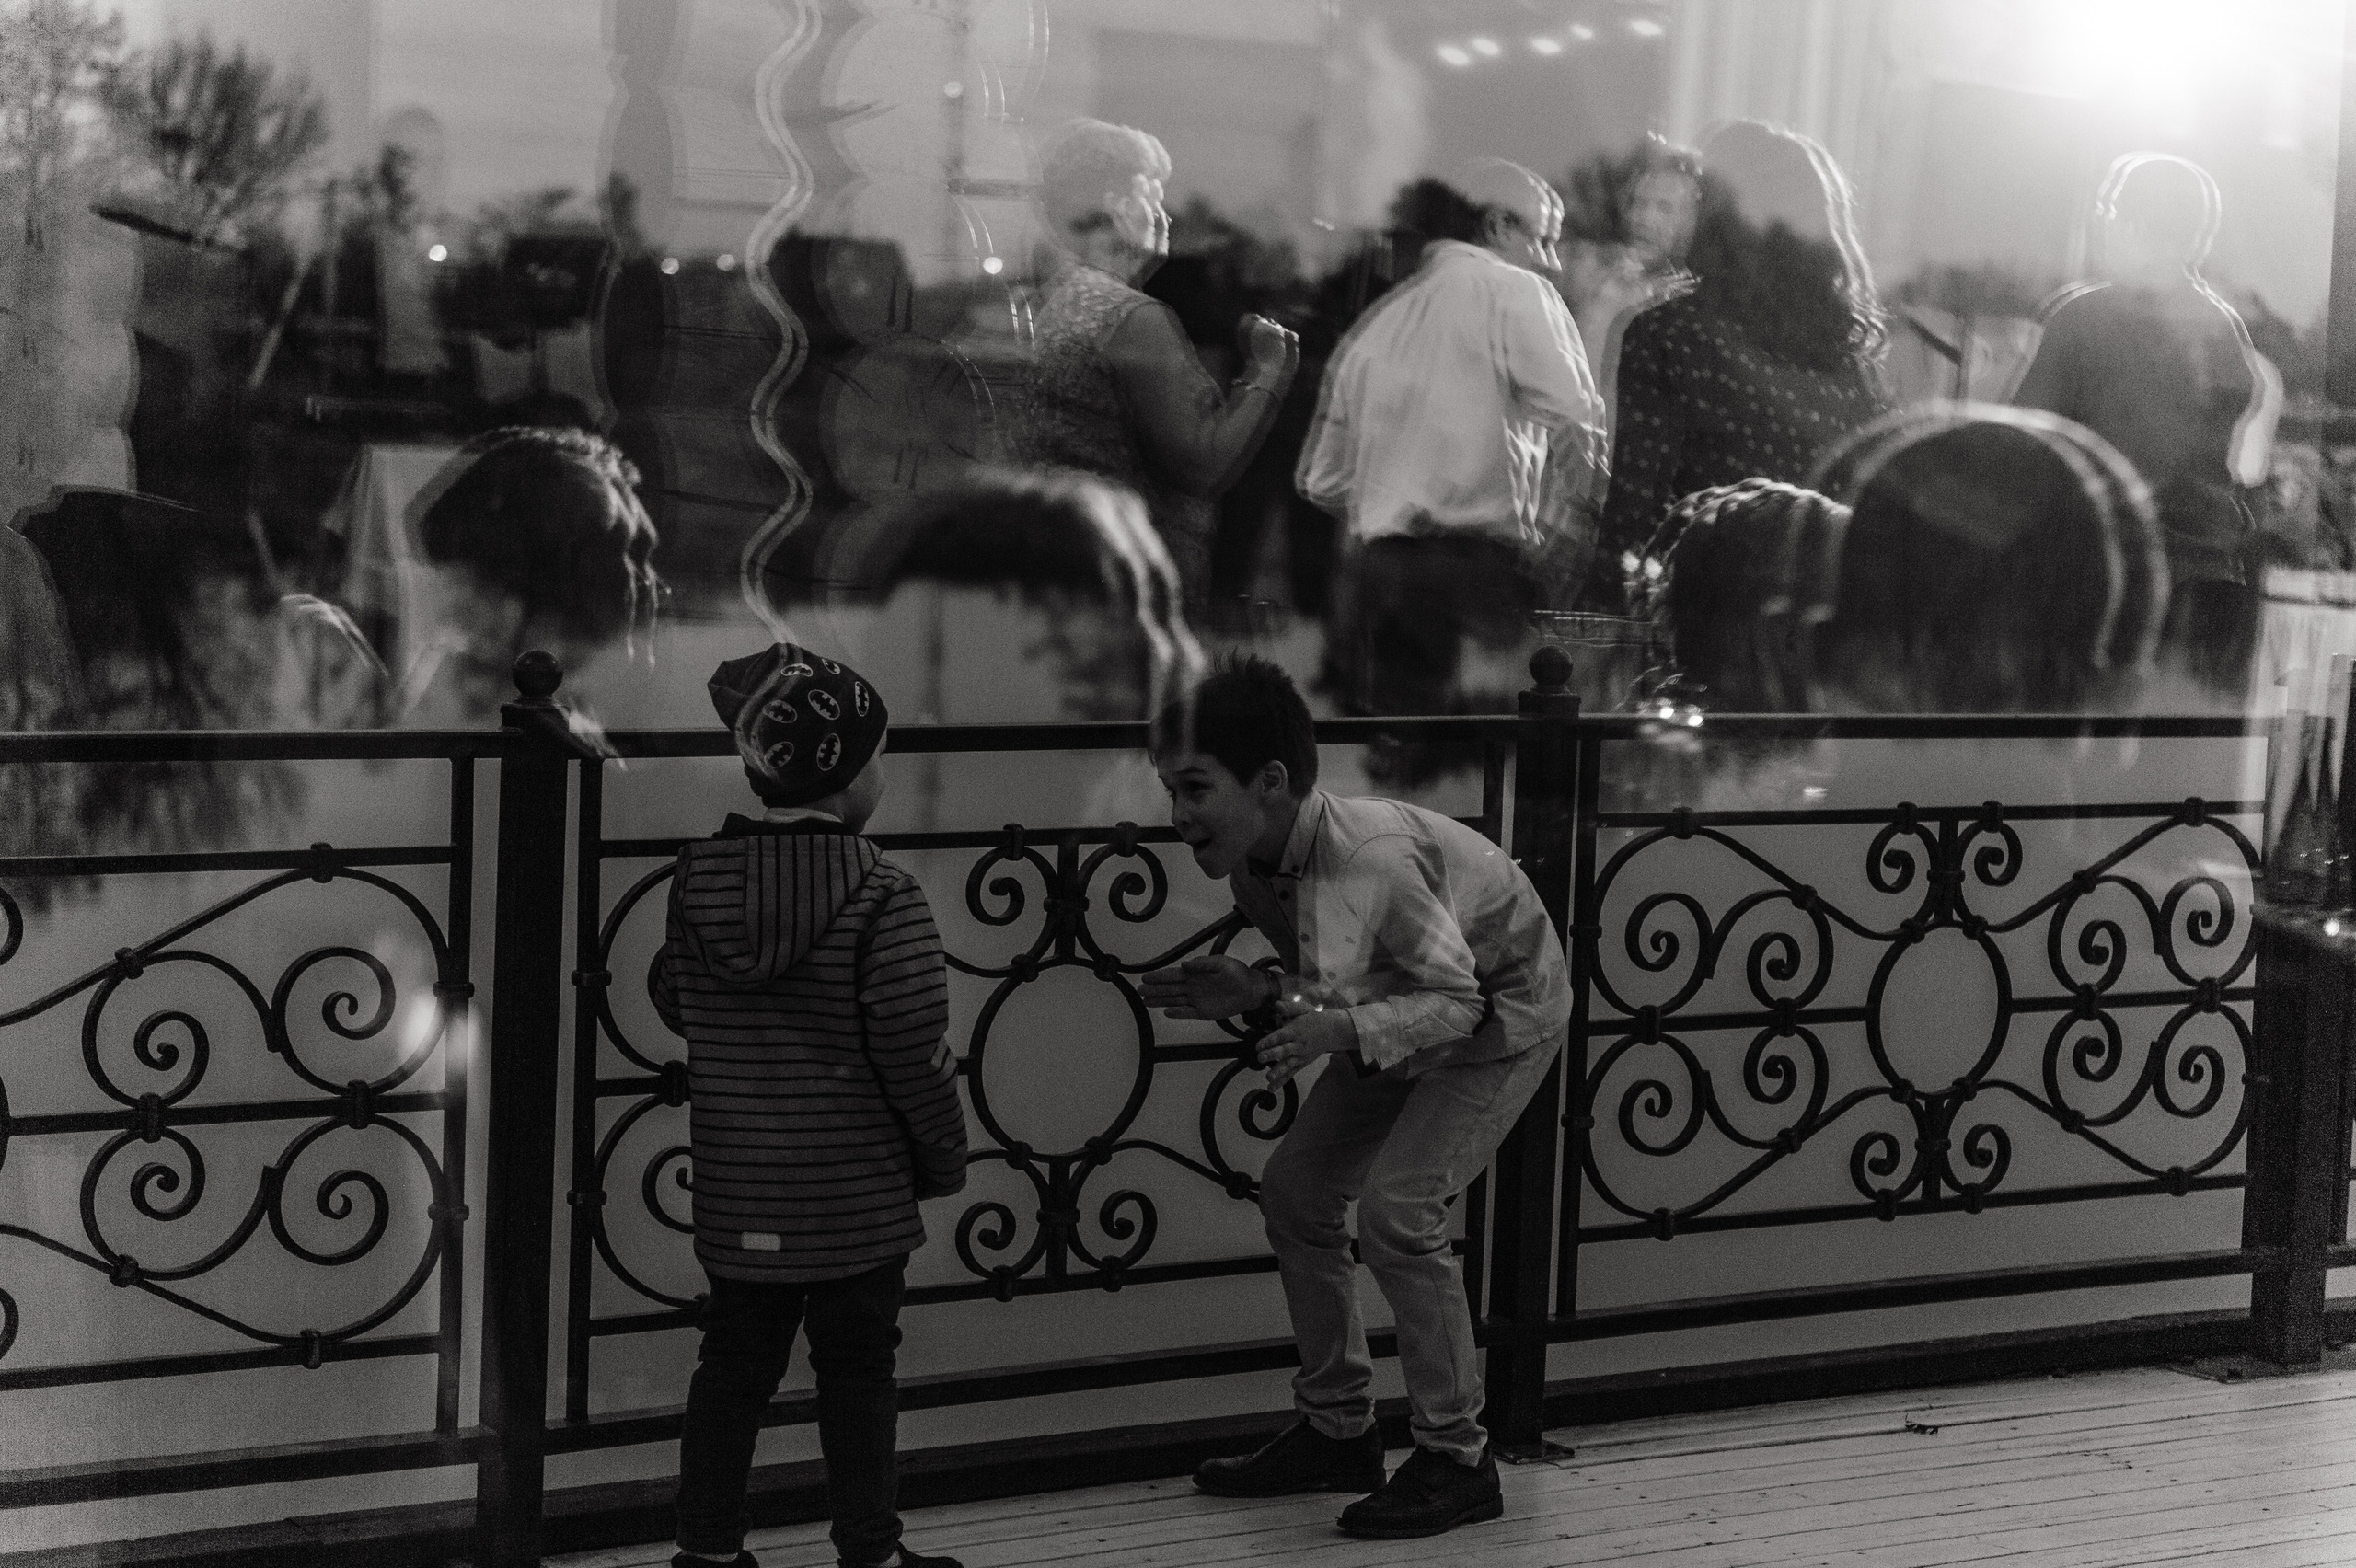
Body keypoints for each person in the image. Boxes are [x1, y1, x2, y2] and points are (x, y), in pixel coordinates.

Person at [1141, 656, 1570, 1540]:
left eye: (1193, 789)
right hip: (1408, 1012)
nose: (1176, 816)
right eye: (1169, 790)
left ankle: (1457, 1457)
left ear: (1270, 783)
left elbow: (1459, 1001)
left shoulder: (1365, 858)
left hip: (1502, 1015)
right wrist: (1263, 993)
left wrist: (1325, 1026)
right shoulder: (1257, 866)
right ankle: (1341, 1431)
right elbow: (1341, 984)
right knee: (1298, 1194)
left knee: (1400, 1212)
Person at [653, 643, 968, 1568]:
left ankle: (705, 1552)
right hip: (856, 1198)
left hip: (742, 1191)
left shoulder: (695, 880)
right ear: (849, 772)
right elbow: (912, 1047)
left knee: (732, 1372)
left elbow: (678, 998)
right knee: (860, 1373)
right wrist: (943, 1159)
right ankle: (868, 1552)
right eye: (879, 754)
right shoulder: (882, 893)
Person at [1297, 159, 1604, 730]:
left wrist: (1401, 504)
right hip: (1478, 577)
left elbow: (1324, 482)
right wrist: (1572, 536)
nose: (1552, 261)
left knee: (1399, 760)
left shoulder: (1377, 326)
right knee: (1481, 769)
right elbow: (1578, 419)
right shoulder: (1516, 292)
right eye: (1544, 240)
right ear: (1497, 226)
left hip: (1376, 575)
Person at [1008, 117, 1300, 610]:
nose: (1164, 213)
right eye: (1153, 195)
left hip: (1077, 559)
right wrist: (1268, 371)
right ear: (1120, 209)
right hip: (1137, 573)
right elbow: (1200, 466)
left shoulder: (1066, 298)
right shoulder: (1134, 319)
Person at [2012, 153, 2278, 694]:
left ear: (2130, 223)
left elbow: (2019, 449)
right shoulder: (2222, 326)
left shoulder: (2083, 320)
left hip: (2104, 586)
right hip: (2206, 582)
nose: (2104, 228)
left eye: (2109, 214)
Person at [1599, 121, 1889, 585]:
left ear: (1716, 212)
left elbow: (1637, 510)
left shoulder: (1669, 335)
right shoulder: (1851, 364)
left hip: (1704, 613)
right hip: (1809, 615)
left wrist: (1601, 600)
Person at [1565, 137, 1703, 442]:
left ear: (1693, 222)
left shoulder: (1694, 313)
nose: (1644, 219)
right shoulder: (1601, 277)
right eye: (1639, 203)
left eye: (1665, 208)